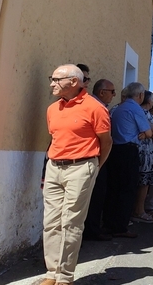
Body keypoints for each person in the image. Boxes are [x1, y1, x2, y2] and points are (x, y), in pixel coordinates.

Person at [42, 64, 111, 285]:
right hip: (54, 166)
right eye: (51, 79)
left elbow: (106, 142)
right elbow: (54, 139)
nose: (52, 83)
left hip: (81, 167)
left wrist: (93, 168)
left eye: (56, 79)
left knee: (71, 222)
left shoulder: (95, 108)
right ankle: (52, 273)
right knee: (51, 222)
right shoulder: (53, 109)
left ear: (73, 82)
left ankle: (65, 276)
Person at [104, 82, 152, 238]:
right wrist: (144, 134)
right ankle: (120, 227)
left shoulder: (119, 108)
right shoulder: (135, 108)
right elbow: (148, 132)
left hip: (115, 150)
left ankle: (109, 224)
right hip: (128, 150)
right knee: (127, 190)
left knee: (114, 189)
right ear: (140, 95)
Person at [83, 78, 117, 242]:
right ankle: (91, 230)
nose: (114, 95)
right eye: (112, 91)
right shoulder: (97, 107)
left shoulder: (99, 106)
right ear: (102, 92)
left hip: (95, 157)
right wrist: (100, 163)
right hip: (94, 157)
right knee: (95, 195)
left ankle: (91, 229)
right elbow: (105, 139)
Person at [132, 91, 153, 223]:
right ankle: (139, 211)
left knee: (145, 183)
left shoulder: (145, 113)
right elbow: (150, 131)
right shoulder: (143, 112)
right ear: (149, 101)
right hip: (146, 154)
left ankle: (139, 210)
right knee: (143, 184)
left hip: (150, 154)